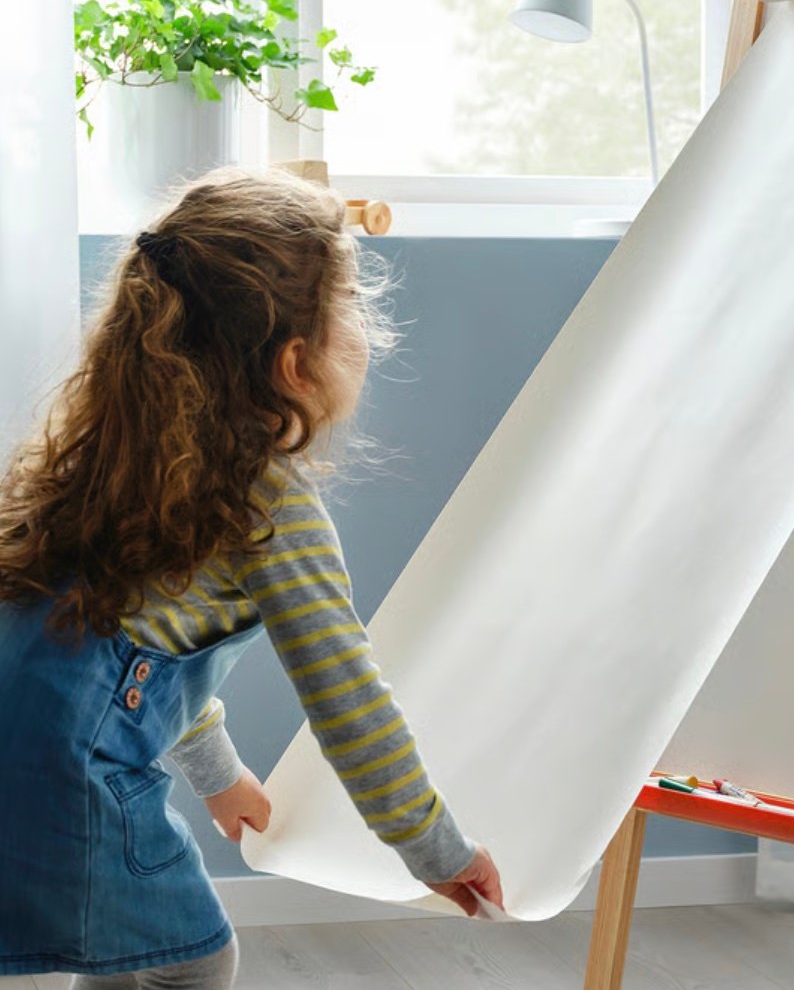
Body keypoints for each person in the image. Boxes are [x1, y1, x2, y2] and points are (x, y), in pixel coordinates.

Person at [0, 169, 503, 988]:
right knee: (192, 960)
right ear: (296, 362)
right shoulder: (267, 503)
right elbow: (346, 695)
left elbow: (133, 652)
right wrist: (435, 849)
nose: (364, 333)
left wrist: (221, 774)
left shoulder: (120, 456)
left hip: (22, 739)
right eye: (353, 311)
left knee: (122, 950)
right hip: (74, 767)